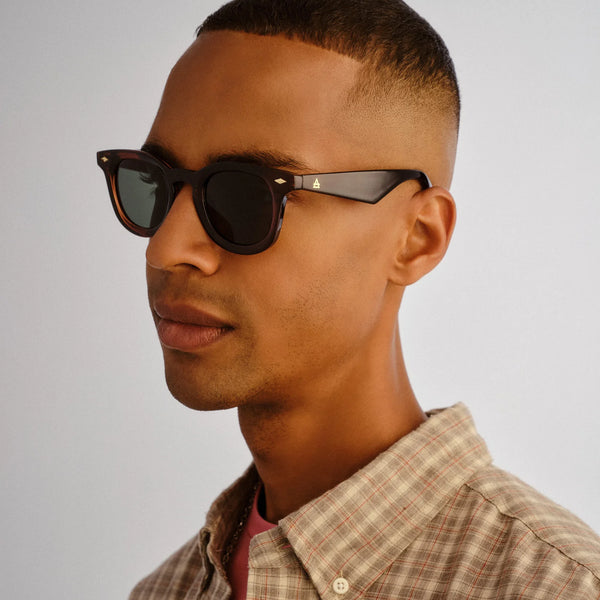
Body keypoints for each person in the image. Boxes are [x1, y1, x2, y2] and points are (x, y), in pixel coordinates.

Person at [97, 1, 600, 598]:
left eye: (249, 196)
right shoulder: (165, 592)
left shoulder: (555, 587)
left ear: (417, 238)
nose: (165, 248)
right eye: (154, 182)